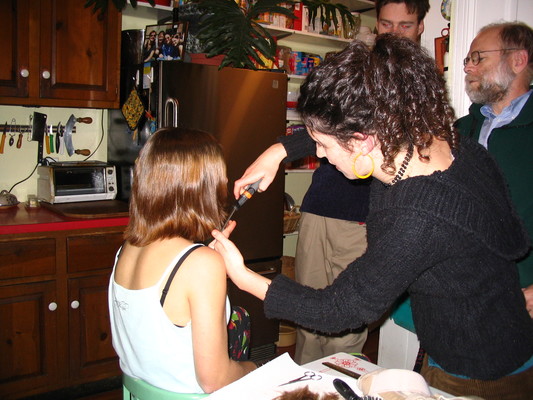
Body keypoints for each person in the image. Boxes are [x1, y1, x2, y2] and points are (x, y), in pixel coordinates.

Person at [213, 35, 533, 400]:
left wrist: (242, 275)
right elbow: (344, 124)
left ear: (363, 141)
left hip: (479, 373)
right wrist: (279, 150)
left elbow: (336, 309)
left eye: (324, 146)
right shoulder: (442, 142)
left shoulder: (419, 216)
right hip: (488, 338)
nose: (319, 154)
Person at [251, 0, 432, 365]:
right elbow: (324, 125)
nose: (394, 33)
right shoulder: (360, 70)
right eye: (386, 24)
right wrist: (278, 151)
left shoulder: (417, 86)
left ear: (421, 27)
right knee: (307, 319)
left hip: (367, 222)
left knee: (344, 329)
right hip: (320, 210)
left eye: (405, 25)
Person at [108, 128, 256, 394]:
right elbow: (214, 381)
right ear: (202, 188)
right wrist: (255, 369)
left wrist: (201, 255)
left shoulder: (127, 249)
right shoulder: (201, 266)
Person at [456, 21, 533, 317]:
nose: (468, 68)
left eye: (479, 57)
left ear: (517, 60)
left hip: (521, 298)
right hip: (464, 293)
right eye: (468, 59)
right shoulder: (460, 130)